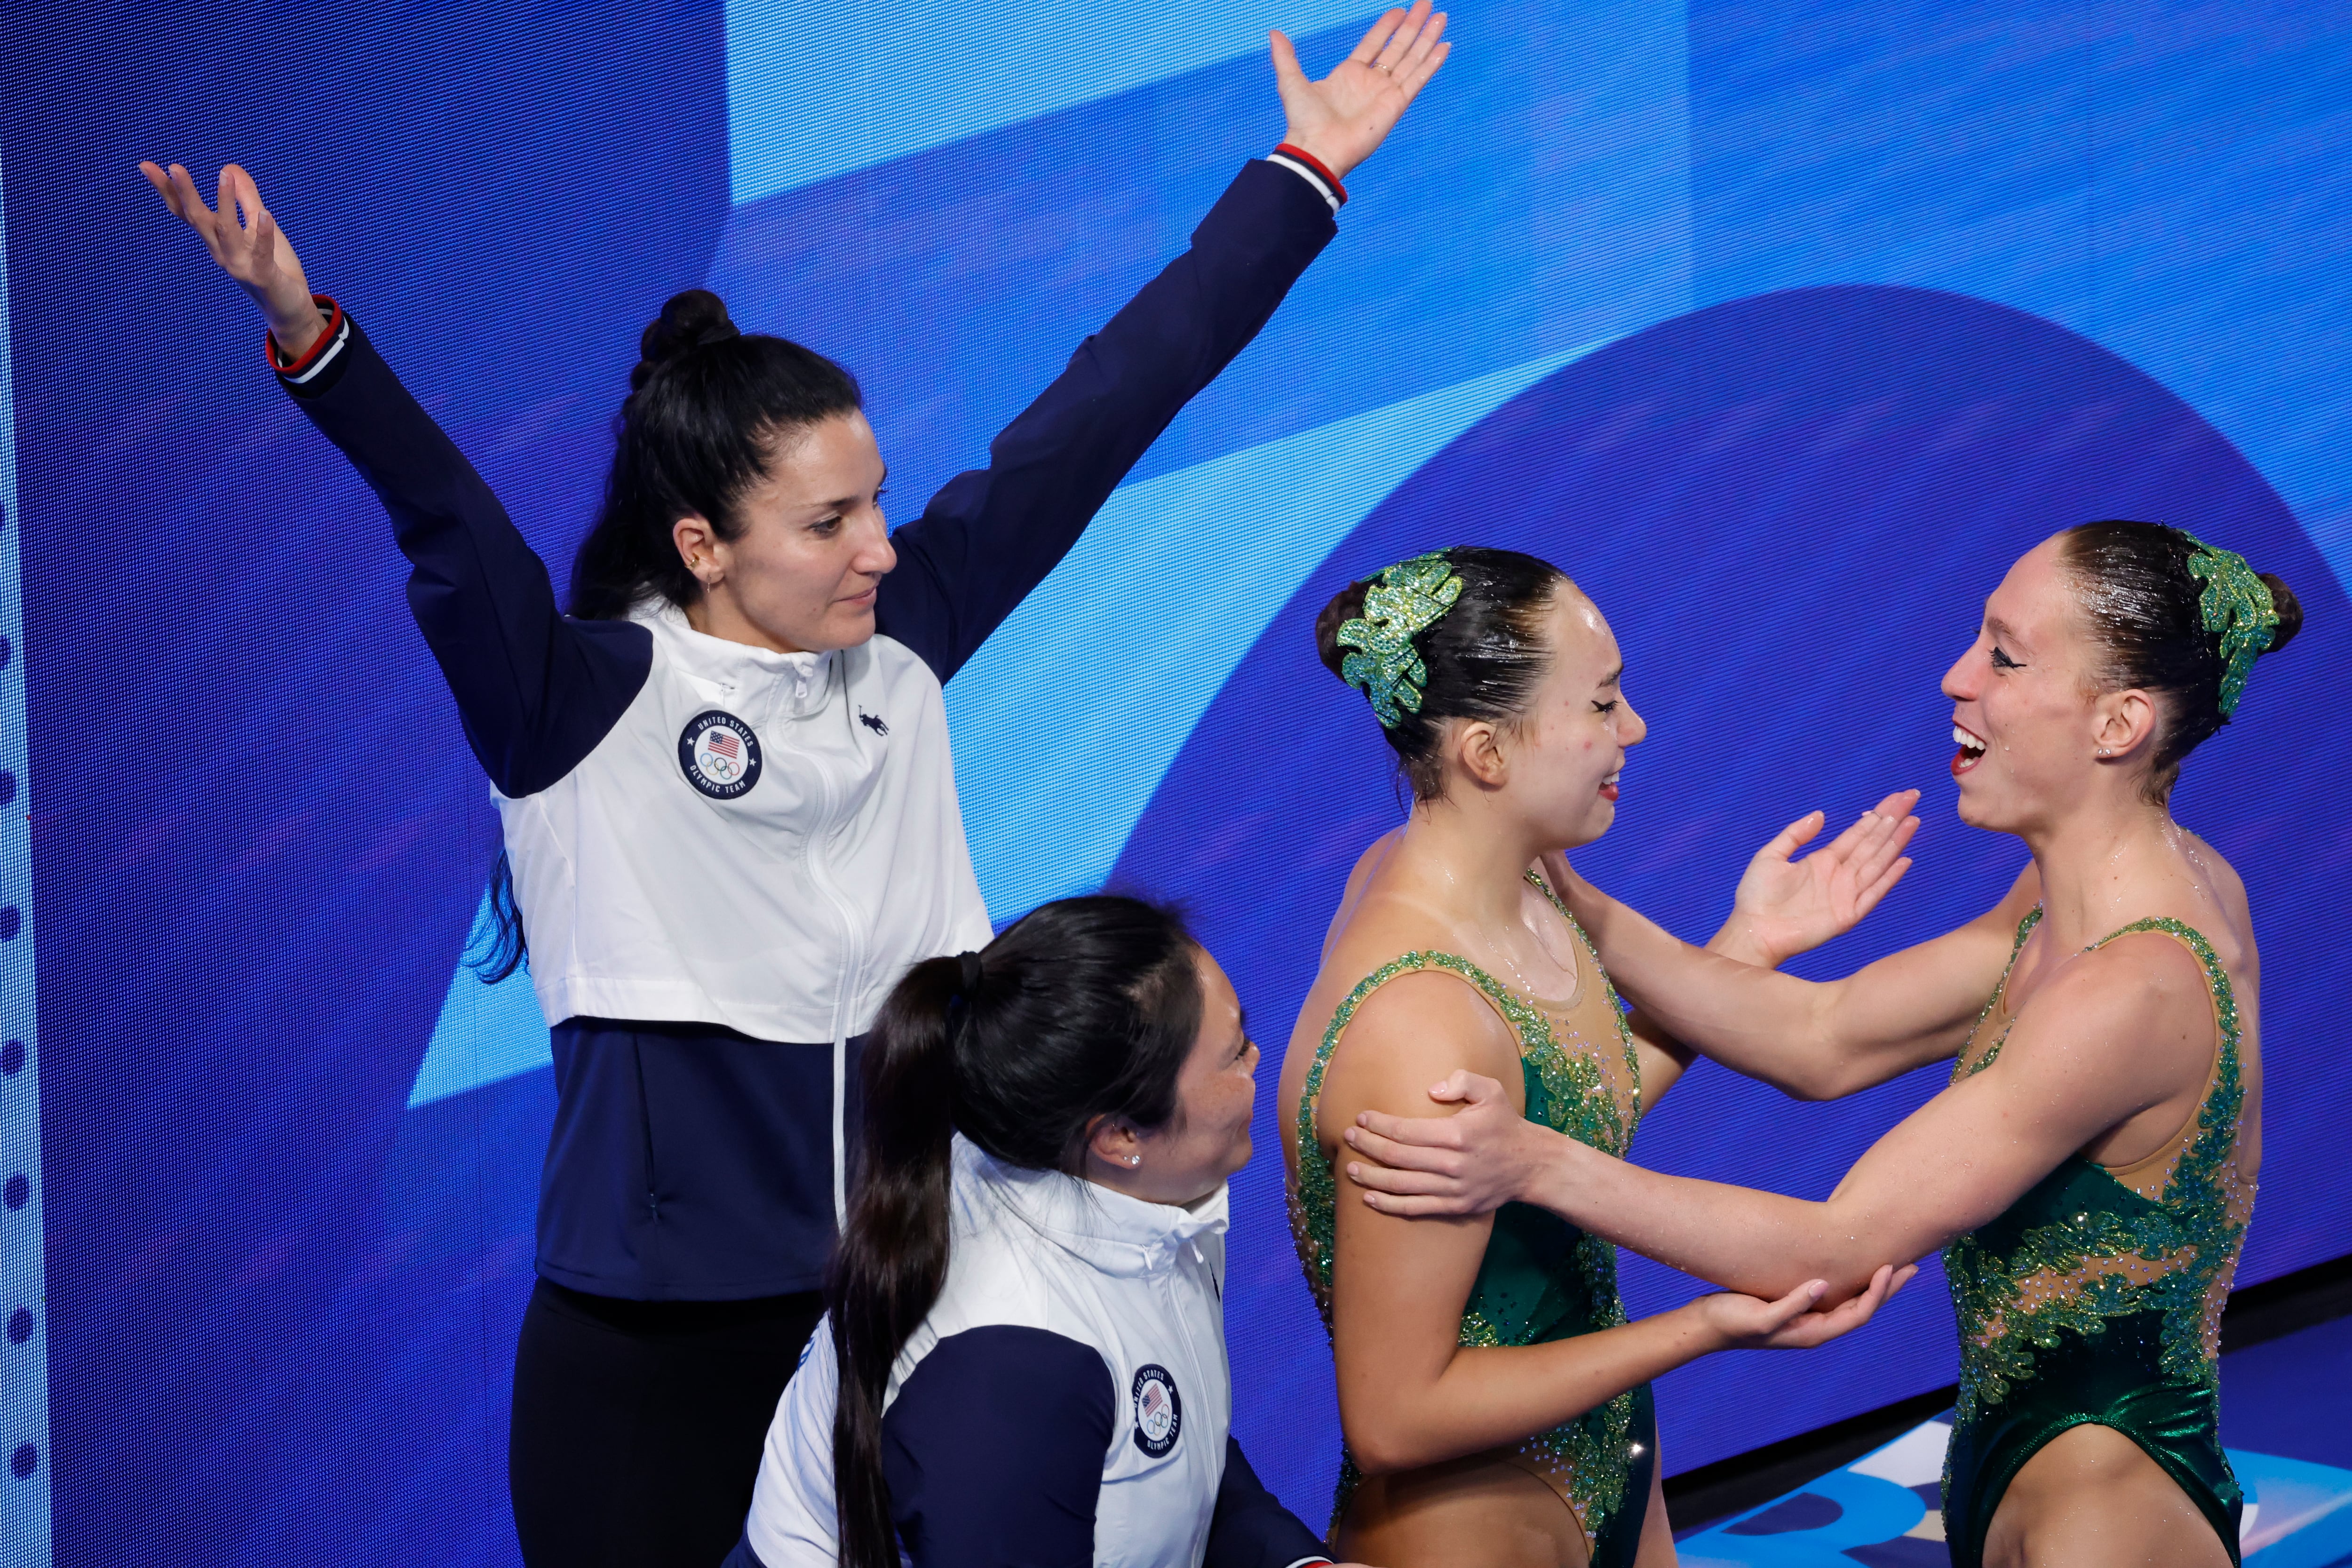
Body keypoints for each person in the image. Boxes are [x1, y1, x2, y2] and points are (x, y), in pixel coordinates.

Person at [137, 11, 1449, 1561]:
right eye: (829, 522)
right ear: (705, 545)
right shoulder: (579, 701)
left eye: (879, 500)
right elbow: (445, 517)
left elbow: (1105, 410)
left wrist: (1301, 175)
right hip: (654, 1353)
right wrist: (308, 332)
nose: (880, 547)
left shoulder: (902, 641)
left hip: (906, 1294)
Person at [1338, 523, 2304, 1568]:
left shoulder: (2135, 981)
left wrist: (1538, 1160)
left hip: (2106, 1500)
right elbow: (1822, 1036)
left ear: (2118, 721)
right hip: (2021, 1455)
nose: (1954, 677)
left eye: (2004, 656)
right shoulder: (2082, 893)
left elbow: (1839, 1247)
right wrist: (1568, 875)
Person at [1280, 546, 1918, 1568]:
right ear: (1488, 753)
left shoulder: (1526, 887)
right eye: (1604, 703)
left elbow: (1575, 1108)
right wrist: (1703, 1326)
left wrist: (1742, 949)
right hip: (1472, 1527)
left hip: (1606, 1466)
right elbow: (1395, 1414)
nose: (1635, 729)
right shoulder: (1419, 1025)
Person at [733, 894, 1364, 1568]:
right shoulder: (1009, 1379)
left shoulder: (1122, 1189)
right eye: (1233, 1054)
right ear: (1120, 1136)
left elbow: (1172, 1442)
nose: (1258, 1062)